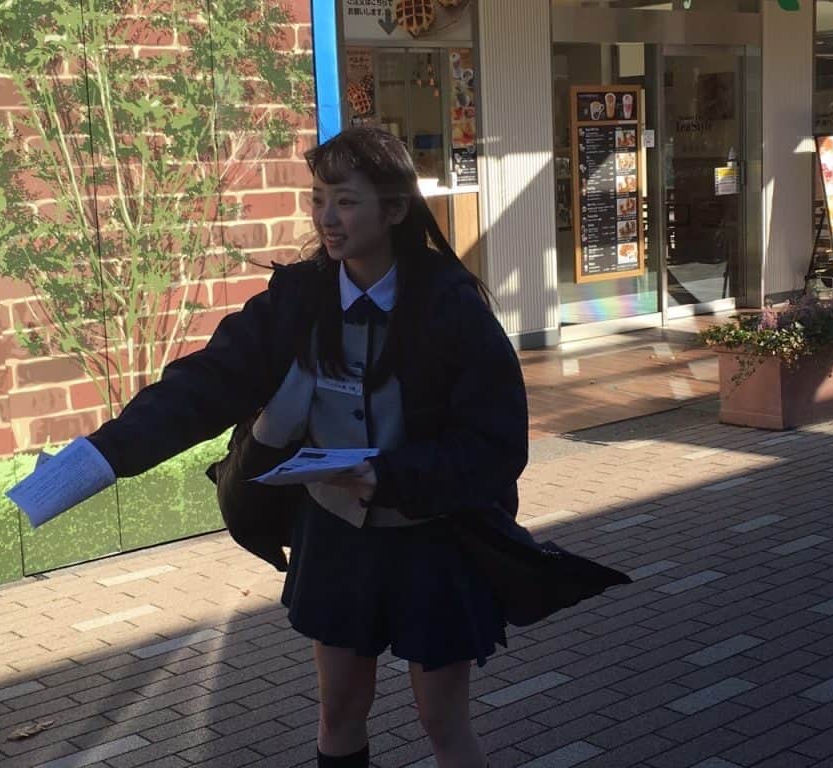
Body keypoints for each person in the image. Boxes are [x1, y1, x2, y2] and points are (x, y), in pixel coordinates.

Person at [81, 127, 529, 768]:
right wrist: (104, 455)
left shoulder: (449, 305)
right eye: (318, 198)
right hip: (337, 539)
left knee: (443, 722)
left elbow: (496, 443)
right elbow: (210, 381)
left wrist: (391, 475)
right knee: (339, 712)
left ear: (393, 209)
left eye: (345, 201)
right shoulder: (297, 299)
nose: (326, 218)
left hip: (431, 539)